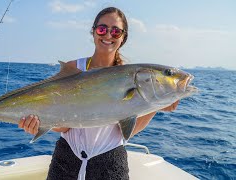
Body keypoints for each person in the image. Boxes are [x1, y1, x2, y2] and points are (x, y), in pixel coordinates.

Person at [18, 7, 179, 180]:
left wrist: (155, 105)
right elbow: (64, 126)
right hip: (66, 161)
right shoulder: (73, 68)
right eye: (102, 29)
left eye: (116, 31)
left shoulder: (129, 77)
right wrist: (38, 123)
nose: (108, 35)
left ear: (123, 37)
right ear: (93, 32)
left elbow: (127, 132)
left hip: (110, 164)